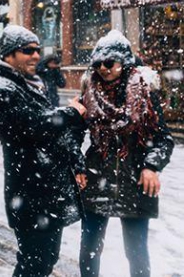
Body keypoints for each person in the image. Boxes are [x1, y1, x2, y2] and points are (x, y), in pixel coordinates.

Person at [0, 25, 87, 277]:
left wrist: (76, 162)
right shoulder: (2, 88)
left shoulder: (31, 84)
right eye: (27, 50)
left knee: (45, 260)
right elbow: (33, 126)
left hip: (45, 192)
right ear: (8, 55)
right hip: (30, 194)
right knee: (34, 263)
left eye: (37, 50)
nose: (35, 56)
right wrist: (71, 113)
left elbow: (53, 132)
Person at [79, 30, 174, 277]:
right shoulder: (89, 91)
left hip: (134, 181)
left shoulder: (145, 93)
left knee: (136, 251)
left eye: (109, 63)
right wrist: (77, 166)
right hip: (96, 178)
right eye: (98, 63)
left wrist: (151, 166)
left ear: (124, 62)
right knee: (90, 247)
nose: (103, 68)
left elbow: (163, 139)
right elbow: (73, 135)